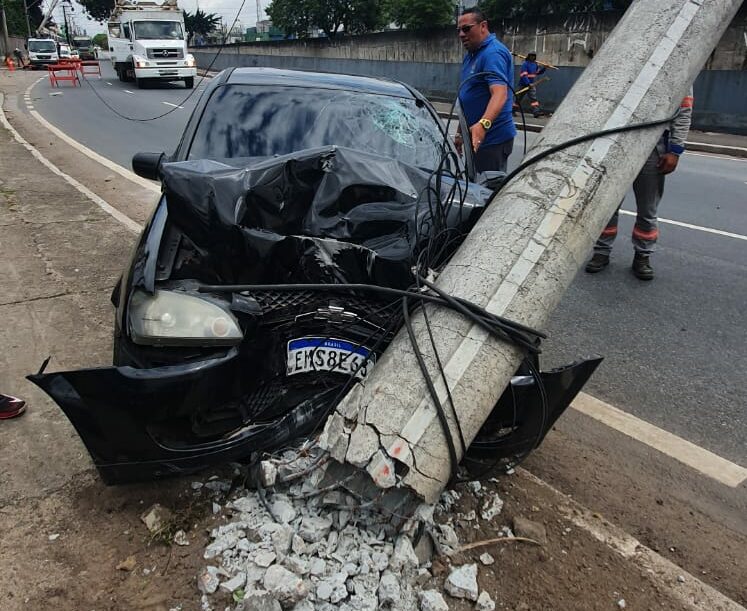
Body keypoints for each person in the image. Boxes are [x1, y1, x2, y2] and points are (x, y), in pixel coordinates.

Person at [585, 88, 694, 280]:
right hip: (616, 142)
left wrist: (675, 150)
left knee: (648, 207)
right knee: (608, 204)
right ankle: (602, 251)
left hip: (653, 146)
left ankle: (642, 255)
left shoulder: (679, 60)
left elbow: (684, 110)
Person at [455, 7, 516, 174]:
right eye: (459, 30)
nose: (461, 34)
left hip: (492, 141)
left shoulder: (493, 53)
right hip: (475, 138)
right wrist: (461, 133)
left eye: (467, 29)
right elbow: (468, 94)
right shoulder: (472, 54)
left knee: (487, 191)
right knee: (474, 186)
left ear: (483, 26)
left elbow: (500, 93)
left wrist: (483, 125)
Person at [515, 52, 546, 117]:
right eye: (531, 56)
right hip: (523, 84)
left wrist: (544, 68)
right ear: (529, 56)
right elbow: (523, 75)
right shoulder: (525, 64)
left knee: (533, 98)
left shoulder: (535, 64)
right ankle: (512, 110)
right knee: (518, 98)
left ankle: (536, 112)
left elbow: (538, 72)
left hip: (531, 84)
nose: (532, 57)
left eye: (533, 56)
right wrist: (528, 83)